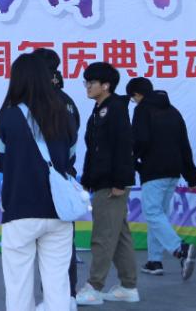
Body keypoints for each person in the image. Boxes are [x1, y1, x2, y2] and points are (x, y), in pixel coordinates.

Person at [0, 53, 76, 311]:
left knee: (18, 285)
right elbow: (70, 159)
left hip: (19, 209)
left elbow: (1, 164)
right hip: (59, 210)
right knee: (58, 284)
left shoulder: (7, 117)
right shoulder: (64, 113)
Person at [74, 61, 139, 306]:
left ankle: (94, 287)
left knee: (102, 235)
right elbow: (94, 149)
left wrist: (120, 182)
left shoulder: (116, 109)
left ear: (106, 85)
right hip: (102, 181)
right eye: (86, 82)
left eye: (91, 82)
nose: (87, 86)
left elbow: (124, 147)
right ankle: (128, 286)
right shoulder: (99, 109)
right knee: (119, 235)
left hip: (113, 183)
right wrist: (87, 179)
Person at [126, 77, 196, 280]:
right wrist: (192, 176)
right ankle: (154, 261)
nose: (134, 102)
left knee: (153, 214)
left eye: (133, 98)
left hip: (153, 170)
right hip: (173, 171)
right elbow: (184, 145)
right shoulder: (173, 111)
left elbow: (140, 140)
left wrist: (131, 161)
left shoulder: (142, 110)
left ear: (137, 94)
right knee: (159, 216)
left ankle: (180, 249)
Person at [33, 47, 81, 305]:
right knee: (62, 243)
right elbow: (72, 144)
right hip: (64, 178)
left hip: (41, 181)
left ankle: (56, 299)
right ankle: (67, 297)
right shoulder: (67, 101)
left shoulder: (35, 102)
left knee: (43, 244)